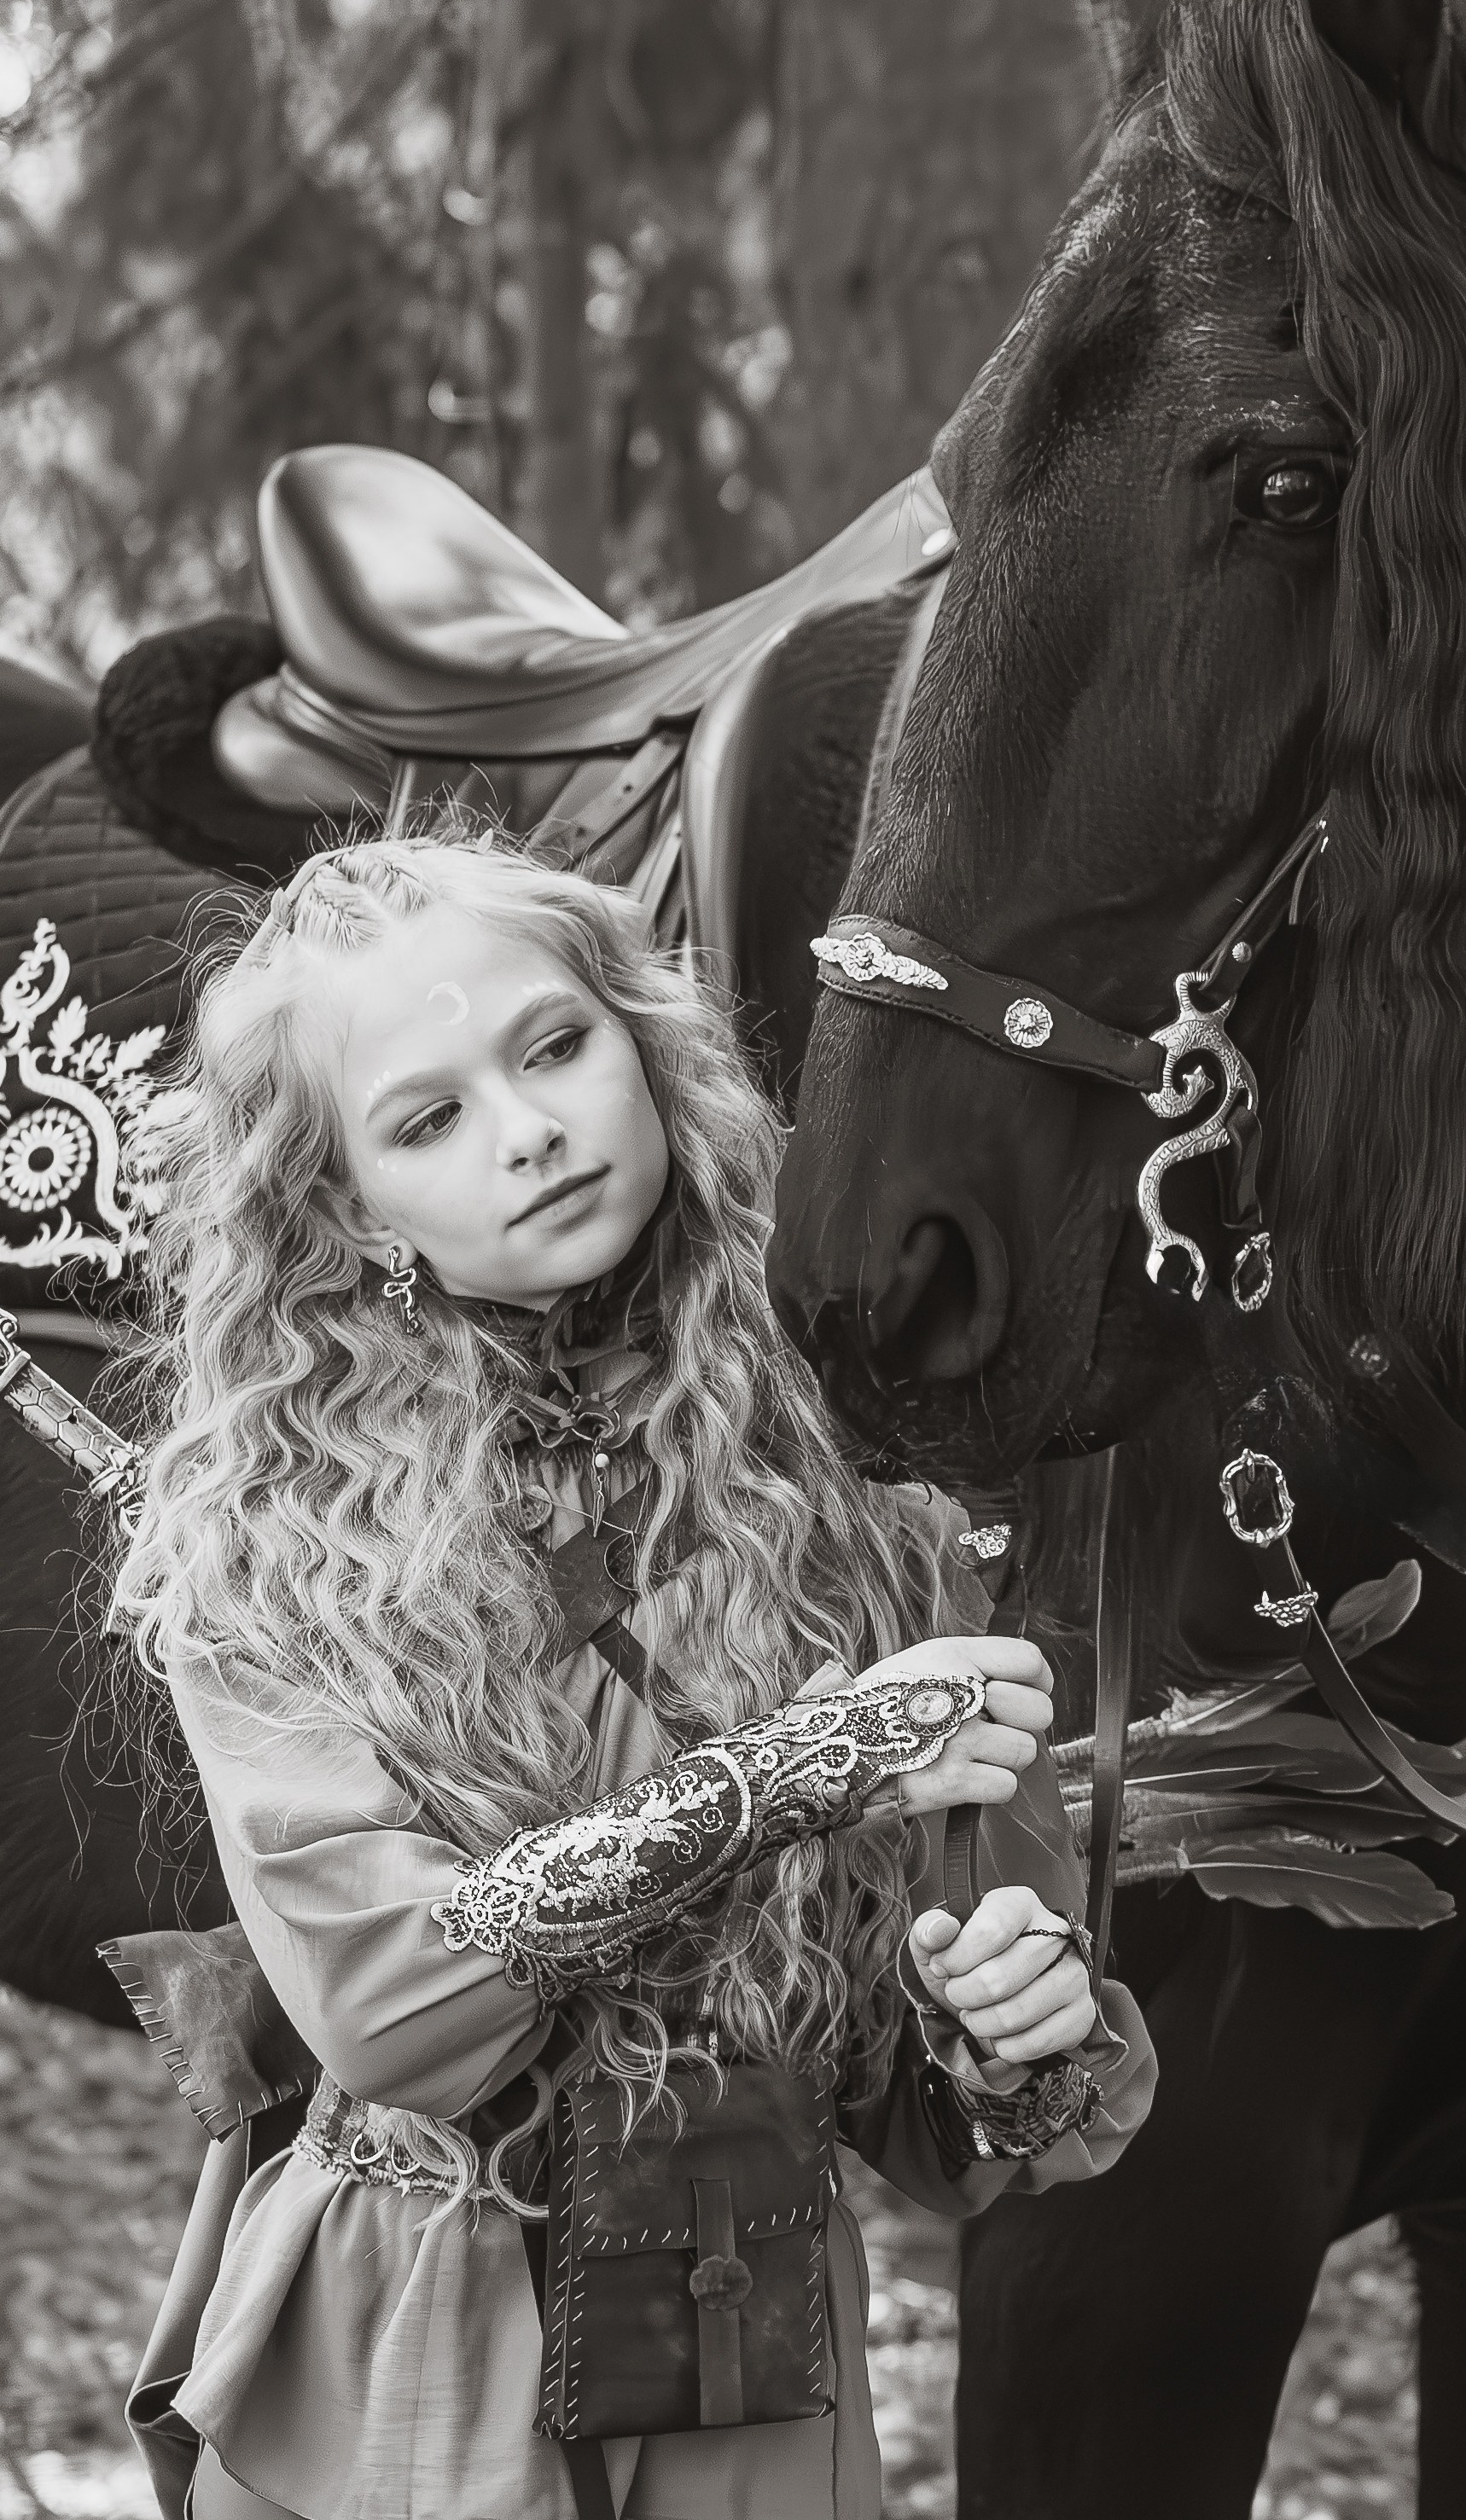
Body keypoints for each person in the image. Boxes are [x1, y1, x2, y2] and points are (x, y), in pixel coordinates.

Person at [112, 830, 1155, 2520]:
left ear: (648, 1049)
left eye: (551, 1048)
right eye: (428, 1119)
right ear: (346, 1212)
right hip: (417, 2386)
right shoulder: (263, 1539)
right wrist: (799, 1767)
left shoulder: (865, 1474)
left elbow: (920, 2103)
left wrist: (1002, 2032)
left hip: (748, 2355)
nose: (526, 1132)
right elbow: (396, 2014)